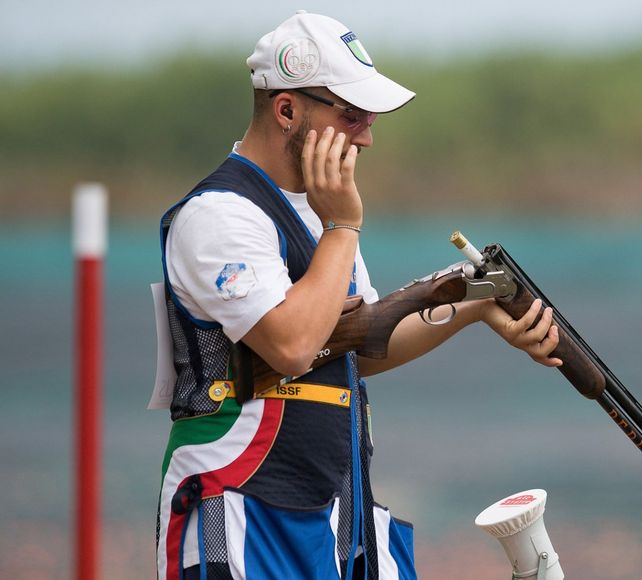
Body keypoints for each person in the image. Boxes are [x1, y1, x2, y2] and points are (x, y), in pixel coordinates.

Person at [155, 10, 561, 580]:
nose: (367, 134)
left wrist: (476, 306)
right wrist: (343, 227)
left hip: (331, 510)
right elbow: (294, 346)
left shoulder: (321, 209)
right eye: (352, 115)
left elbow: (361, 348)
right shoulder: (220, 215)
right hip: (240, 503)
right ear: (288, 111)